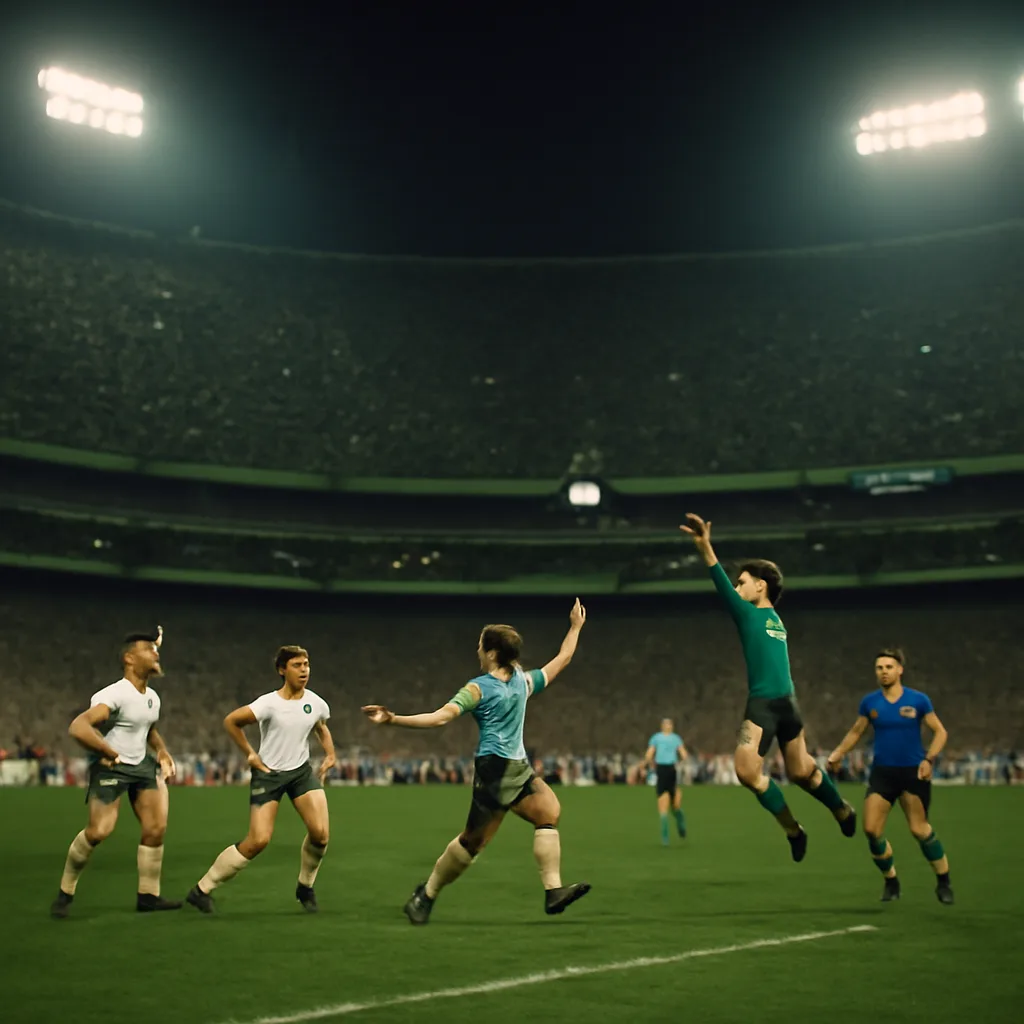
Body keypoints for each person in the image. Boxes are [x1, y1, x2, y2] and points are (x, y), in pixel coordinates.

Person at [362, 599, 590, 924]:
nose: (478, 651)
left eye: (481, 647)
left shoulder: (480, 688)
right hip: (496, 769)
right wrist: (575, 627)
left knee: (548, 812)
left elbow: (440, 718)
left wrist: (392, 719)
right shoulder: (519, 682)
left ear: (493, 653)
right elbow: (563, 658)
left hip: (510, 767)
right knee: (473, 842)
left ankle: (553, 891)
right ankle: (425, 895)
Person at [680, 514, 856, 860]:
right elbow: (730, 595)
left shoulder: (764, 616)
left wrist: (706, 549)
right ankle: (794, 828)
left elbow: (720, 584)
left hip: (786, 704)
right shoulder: (761, 617)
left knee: (802, 771)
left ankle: (841, 809)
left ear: (761, 586)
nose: (737, 587)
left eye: (743, 582)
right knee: (747, 770)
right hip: (763, 704)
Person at [186, 645, 336, 914]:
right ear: (282, 670)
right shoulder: (269, 704)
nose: (304, 670)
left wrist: (330, 753)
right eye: (297, 665)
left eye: (306, 665)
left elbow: (320, 726)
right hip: (269, 775)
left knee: (321, 834)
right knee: (258, 840)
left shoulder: (315, 702)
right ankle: (201, 890)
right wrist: (251, 755)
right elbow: (232, 721)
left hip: (300, 773)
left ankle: (305, 886)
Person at [51, 627, 180, 918]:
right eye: (149, 649)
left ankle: (149, 896)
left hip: (142, 766)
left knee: (156, 828)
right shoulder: (113, 694)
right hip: (112, 767)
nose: (155, 653)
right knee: (99, 831)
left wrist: (160, 750)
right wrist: (109, 753)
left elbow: (149, 729)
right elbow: (79, 726)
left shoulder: (153, 697)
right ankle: (65, 892)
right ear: (129, 659)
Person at [827, 649, 953, 904]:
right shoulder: (870, 703)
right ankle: (891, 881)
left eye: (888, 667)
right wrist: (838, 754)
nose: (884, 672)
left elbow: (940, 732)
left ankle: (943, 881)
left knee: (919, 829)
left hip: (912, 773)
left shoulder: (918, 700)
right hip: (882, 773)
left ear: (900, 670)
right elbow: (856, 732)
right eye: (879, 668)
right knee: (871, 830)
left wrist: (929, 759)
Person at [643, 718, 688, 844]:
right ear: (662, 726)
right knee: (663, 804)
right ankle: (665, 837)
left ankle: (680, 822)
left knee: (674, 804)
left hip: (669, 770)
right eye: (666, 724)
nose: (668, 726)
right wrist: (648, 762)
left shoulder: (675, 738)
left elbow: (683, 753)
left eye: (669, 724)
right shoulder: (657, 738)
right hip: (663, 770)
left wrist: (647, 762)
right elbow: (650, 752)